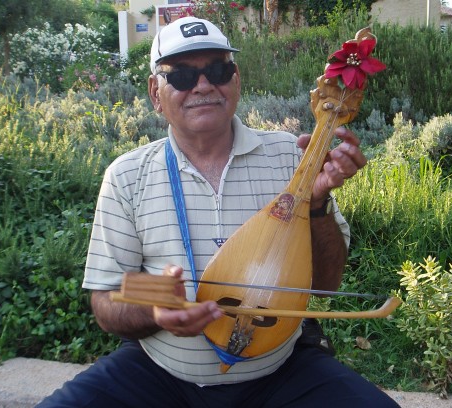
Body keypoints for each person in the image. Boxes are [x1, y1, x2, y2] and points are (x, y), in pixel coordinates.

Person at [38, 16, 400, 407]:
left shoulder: (292, 156)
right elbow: (107, 302)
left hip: (280, 372)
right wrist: (157, 312)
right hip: (160, 374)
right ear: (155, 93)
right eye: (181, 76)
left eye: (217, 70)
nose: (203, 85)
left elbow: (325, 285)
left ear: (236, 80)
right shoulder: (127, 176)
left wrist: (317, 205)